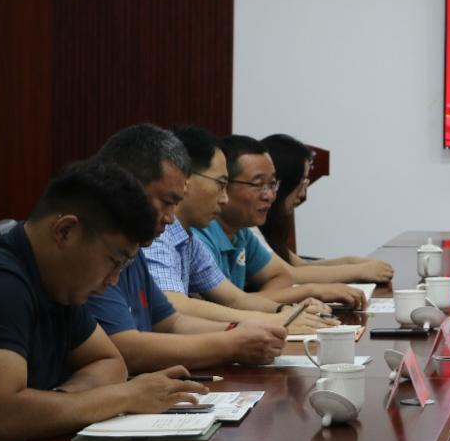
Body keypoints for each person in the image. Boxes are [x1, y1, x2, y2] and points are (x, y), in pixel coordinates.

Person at [0, 161, 208, 441]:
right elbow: (1, 419)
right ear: (65, 231)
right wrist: (123, 397)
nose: (114, 280)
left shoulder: (59, 281)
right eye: (114, 261)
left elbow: (110, 362)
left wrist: (52, 403)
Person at [87, 124, 286, 372]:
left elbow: (171, 322)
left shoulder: (137, 246)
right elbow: (124, 348)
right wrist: (232, 344)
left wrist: (239, 331)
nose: (171, 218)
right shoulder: (94, 248)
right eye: (166, 201)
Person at [145, 127, 332, 334]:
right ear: (185, 179)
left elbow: (235, 299)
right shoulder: (157, 235)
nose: (224, 198)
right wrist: (275, 321)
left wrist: (286, 311)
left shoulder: (187, 238)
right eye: (220, 184)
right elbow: (175, 305)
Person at [191, 135, 376, 307]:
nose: (269, 195)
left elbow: (281, 276)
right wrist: (308, 292)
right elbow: (228, 304)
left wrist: (261, 305)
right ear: (224, 185)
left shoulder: (242, 231)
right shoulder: (199, 235)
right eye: (258, 184)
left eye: (272, 184)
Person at [259, 133, 395, 281]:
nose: (303, 193)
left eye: (306, 182)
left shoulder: (269, 227)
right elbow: (290, 274)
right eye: (301, 182)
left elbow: (300, 265)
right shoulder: (252, 228)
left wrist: (353, 261)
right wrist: (359, 271)